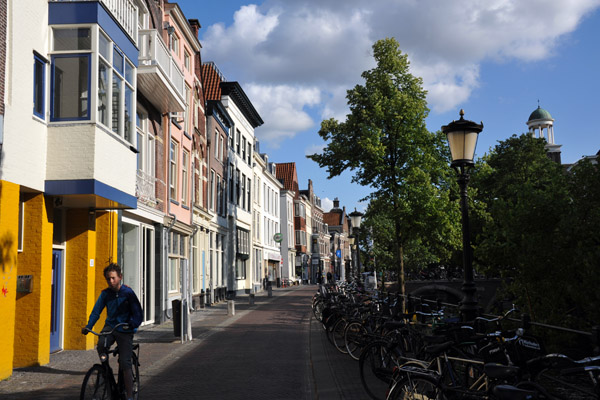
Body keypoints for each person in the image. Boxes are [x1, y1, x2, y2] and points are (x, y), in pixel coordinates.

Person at [82, 263, 143, 400]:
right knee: (101, 346)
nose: (111, 281)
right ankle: (105, 372)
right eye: (108, 279)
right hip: (110, 327)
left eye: (113, 278)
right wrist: (89, 326)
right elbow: (96, 311)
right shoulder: (105, 294)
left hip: (125, 327)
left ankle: (129, 395)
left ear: (120, 277)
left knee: (125, 362)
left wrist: (133, 323)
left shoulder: (128, 293)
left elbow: (137, 312)